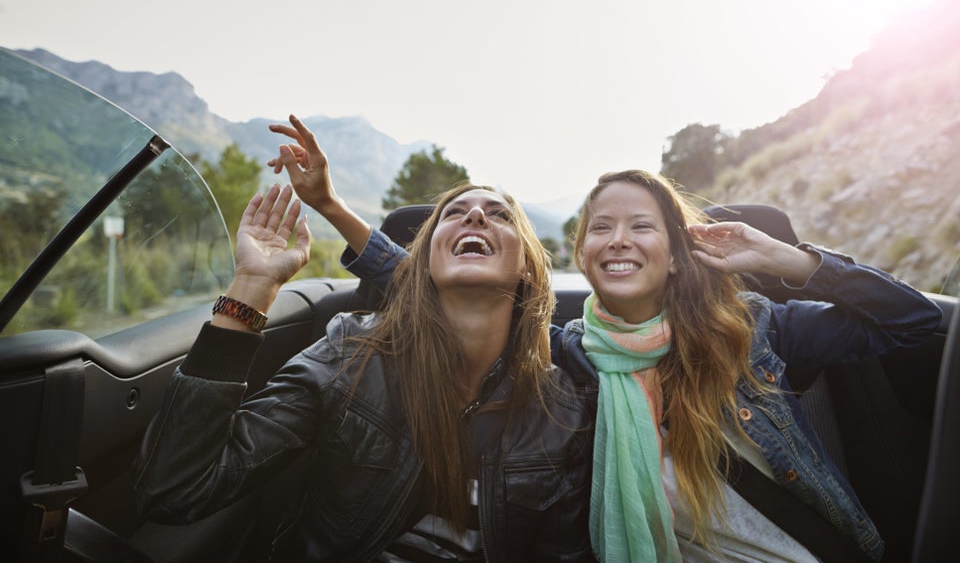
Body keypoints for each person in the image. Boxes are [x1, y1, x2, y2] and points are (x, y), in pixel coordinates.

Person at [264, 117, 942, 562]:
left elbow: (913, 321)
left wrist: (785, 258)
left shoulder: (756, 329)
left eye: (642, 226)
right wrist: (330, 207)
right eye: (601, 228)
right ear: (580, 256)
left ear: (677, 253)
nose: (619, 239)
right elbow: (431, 284)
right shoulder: (567, 355)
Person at [132, 181, 596, 562]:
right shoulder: (348, 352)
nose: (475, 216)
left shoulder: (565, 406)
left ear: (529, 270)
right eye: (454, 212)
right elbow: (177, 490)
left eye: (500, 214)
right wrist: (252, 287)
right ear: (421, 265)